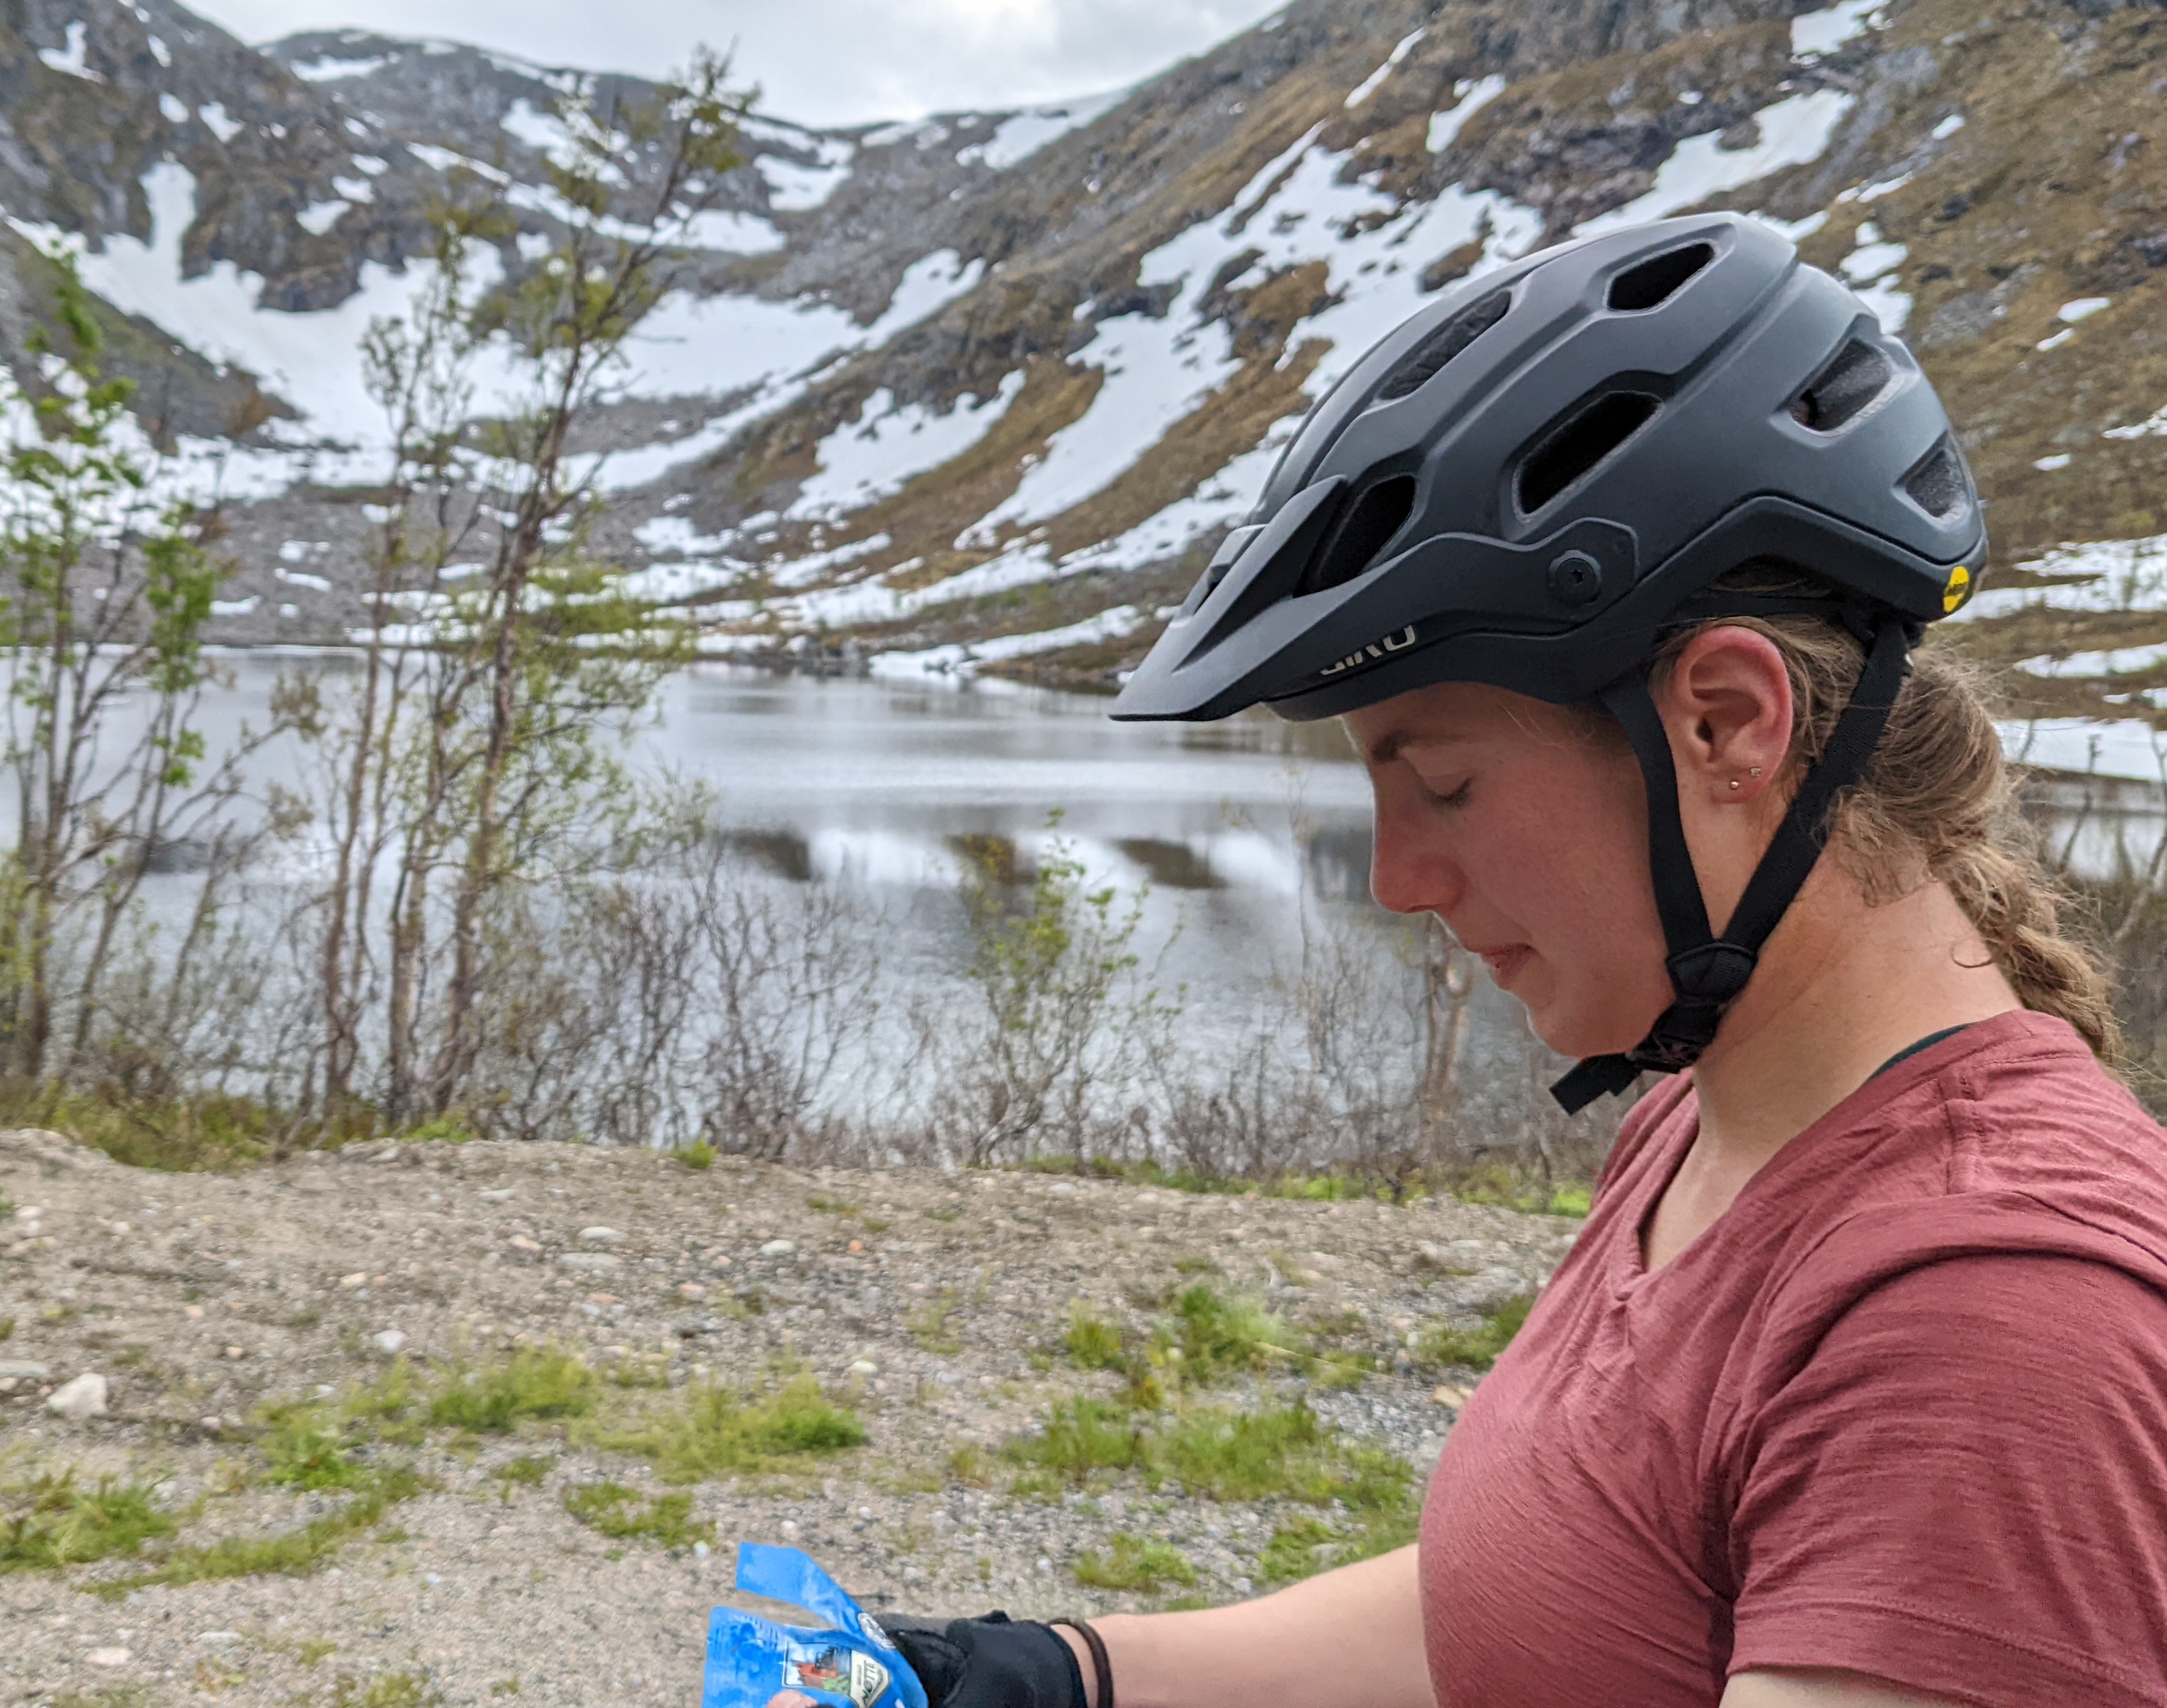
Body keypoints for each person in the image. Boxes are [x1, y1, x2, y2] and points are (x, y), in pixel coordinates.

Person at [760, 212, 2167, 1708]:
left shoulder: (1993, 1332)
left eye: (1442, 784)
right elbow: (1563, 1601)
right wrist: (1074, 1673)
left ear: (1727, 725)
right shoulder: (1717, 1112)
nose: (1398, 878)